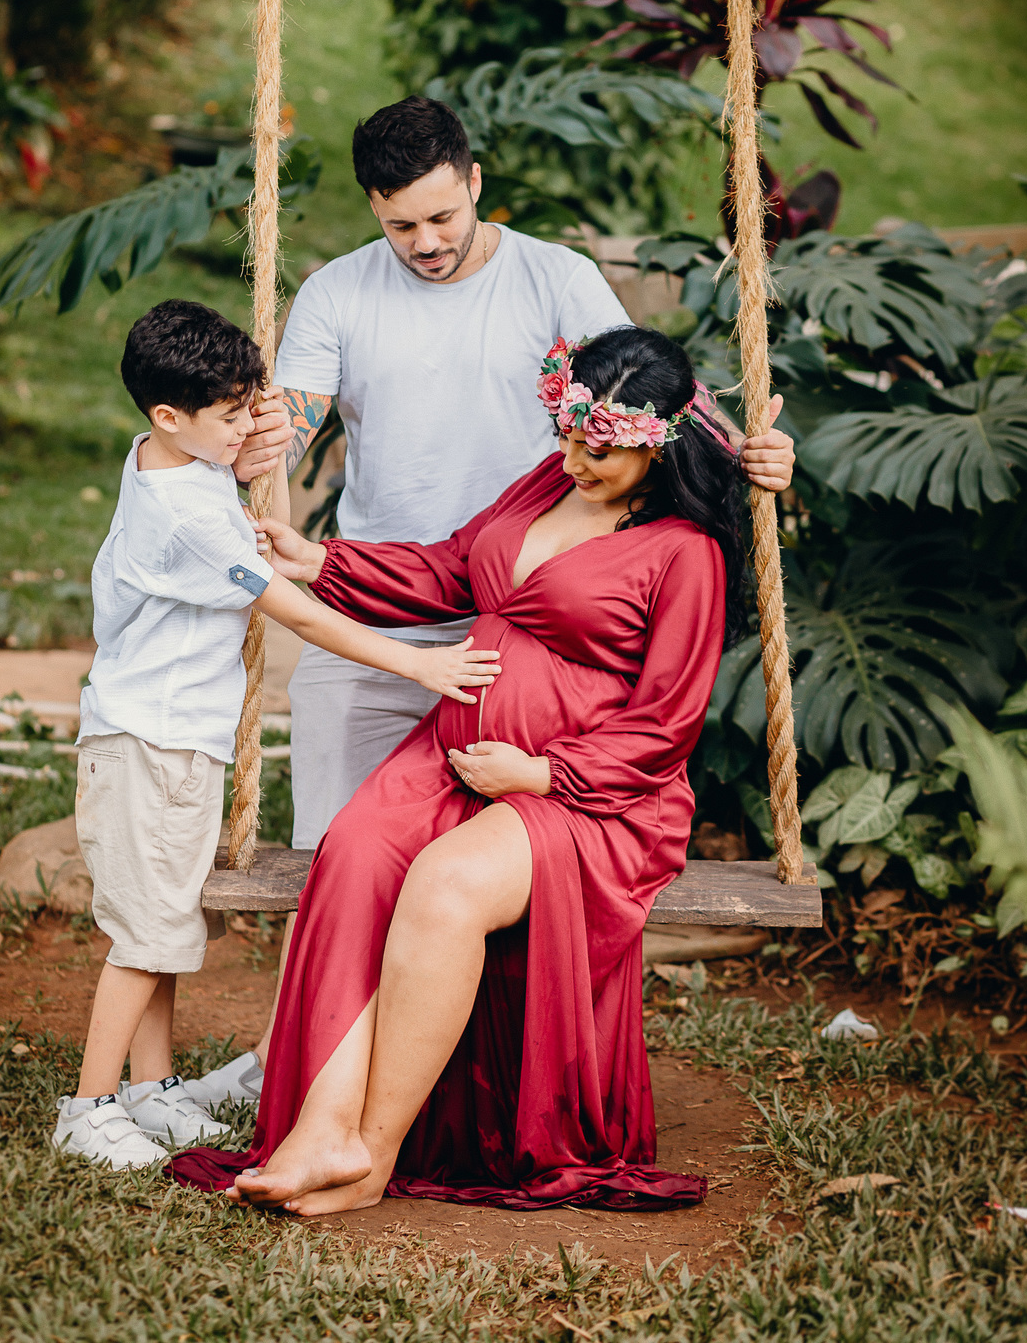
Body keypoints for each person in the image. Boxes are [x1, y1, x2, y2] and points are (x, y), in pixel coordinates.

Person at [184, 96, 796, 1114]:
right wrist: (268, 452)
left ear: (475, 183)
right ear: (373, 209)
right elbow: (297, 418)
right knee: (342, 858)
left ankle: (444, 1084)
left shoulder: (556, 278)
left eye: (441, 216)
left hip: (533, 630)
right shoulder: (338, 294)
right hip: (378, 609)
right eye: (400, 225)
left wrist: (744, 454)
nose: (424, 242)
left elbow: (640, 390)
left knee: (472, 878)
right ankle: (293, 1065)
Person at [170, 326, 754, 1211]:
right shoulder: (549, 482)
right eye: (567, 436)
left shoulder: (685, 552)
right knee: (354, 854)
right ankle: (322, 1125)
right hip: (454, 756)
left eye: (600, 450)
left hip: (596, 795)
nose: (575, 461)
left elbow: (665, 725)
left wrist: (541, 774)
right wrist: (321, 561)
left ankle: (368, 1156)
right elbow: (452, 571)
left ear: (657, 445)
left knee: (445, 886)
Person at [51, 299, 500, 1170]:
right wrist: (420, 666)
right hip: (149, 744)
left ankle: (150, 1088)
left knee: (167, 920)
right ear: (168, 415)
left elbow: (256, 522)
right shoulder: (188, 516)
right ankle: (90, 1106)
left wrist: (250, 449)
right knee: (145, 937)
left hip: (171, 740)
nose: (247, 430)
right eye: (232, 417)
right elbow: (298, 612)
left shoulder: (163, 457)